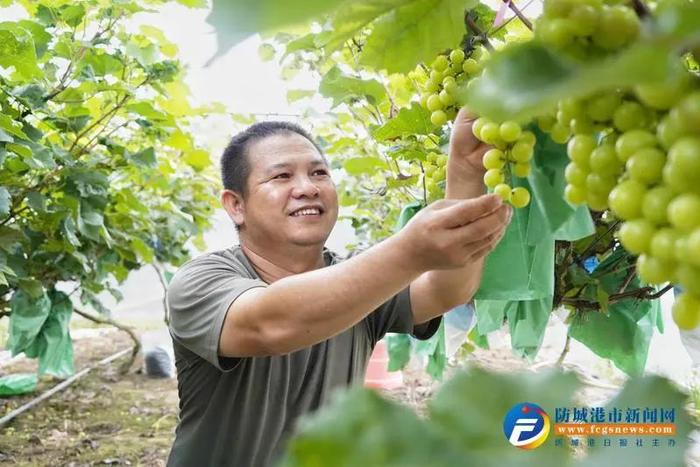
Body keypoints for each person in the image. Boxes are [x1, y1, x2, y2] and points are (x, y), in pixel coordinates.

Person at [165, 108, 512, 466]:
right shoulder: (200, 281)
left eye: (319, 173)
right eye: (282, 176)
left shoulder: (360, 278)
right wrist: (409, 252)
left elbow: (446, 290)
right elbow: (269, 324)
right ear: (236, 205)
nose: (307, 188)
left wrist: (467, 170)